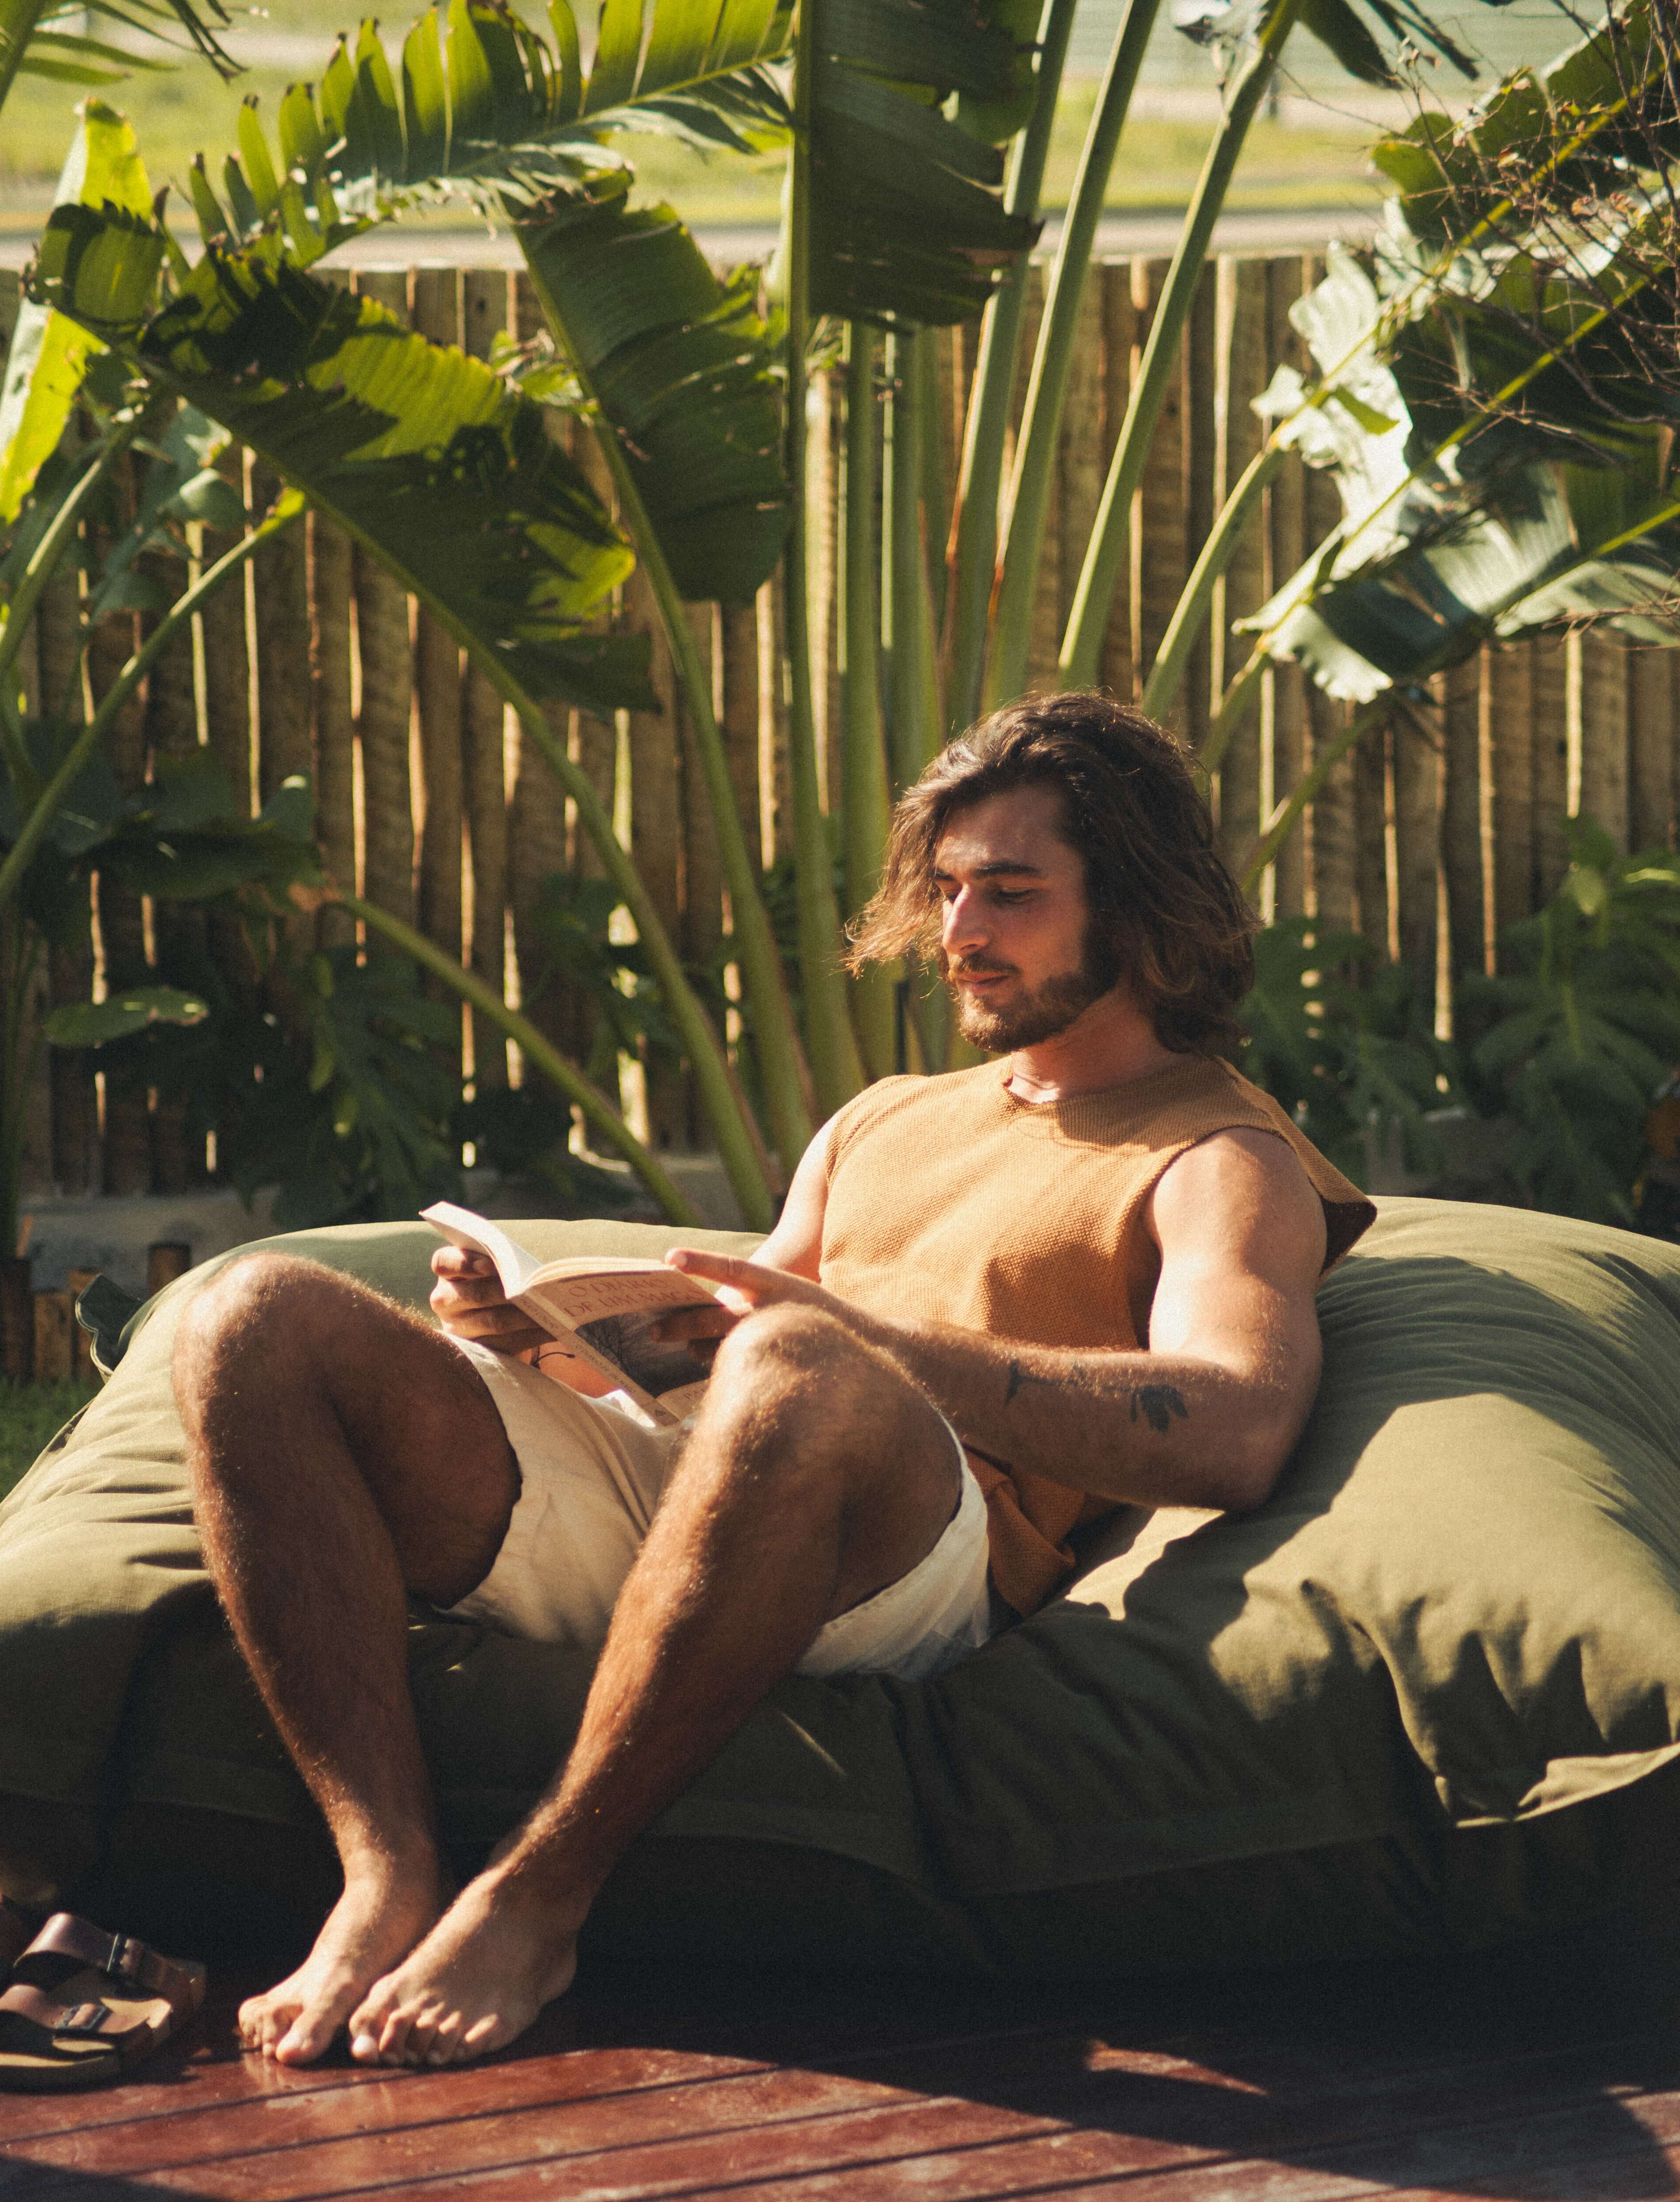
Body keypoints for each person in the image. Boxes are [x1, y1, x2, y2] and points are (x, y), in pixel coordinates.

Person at [172, 689, 1373, 2072]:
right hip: (708, 1501)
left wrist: (861, 1346)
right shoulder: (884, 1118)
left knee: (804, 1359)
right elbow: (724, 1351)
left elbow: (1240, 1426)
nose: (961, 936)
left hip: (920, 1559)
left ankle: (537, 1896)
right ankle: (382, 1875)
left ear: (1141, 909)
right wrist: (549, 1335)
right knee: (252, 1314)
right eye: (949, 892)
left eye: (1012, 895)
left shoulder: (1220, 1155)